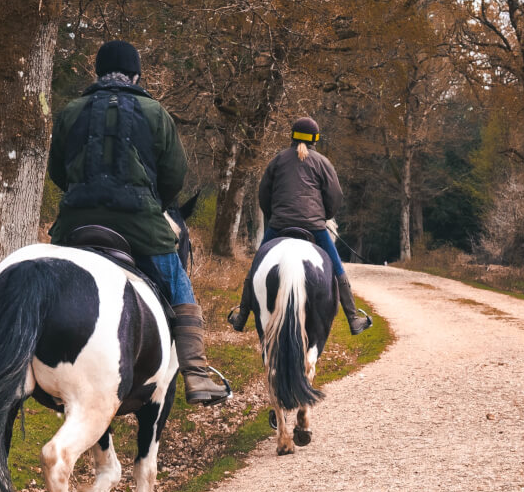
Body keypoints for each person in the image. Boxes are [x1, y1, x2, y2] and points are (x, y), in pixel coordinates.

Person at [47, 39, 229, 405]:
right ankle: (196, 373)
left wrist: (83, 193)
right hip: (140, 225)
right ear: (135, 75)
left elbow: (57, 171)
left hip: (74, 225)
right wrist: (153, 203)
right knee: (179, 284)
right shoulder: (154, 111)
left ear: (97, 73)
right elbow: (174, 174)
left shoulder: (71, 111)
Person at [227, 116, 372, 335]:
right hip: (314, 227)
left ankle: (242, 316)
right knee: (337, 268)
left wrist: (274, 216)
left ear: (292, 136)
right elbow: (335, 196)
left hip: (279, 225)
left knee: (256, 266)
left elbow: (264, 194)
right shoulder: (323, 163)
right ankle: (353, 318)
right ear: (315, 139)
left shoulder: (277, 160)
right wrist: (324, 216)